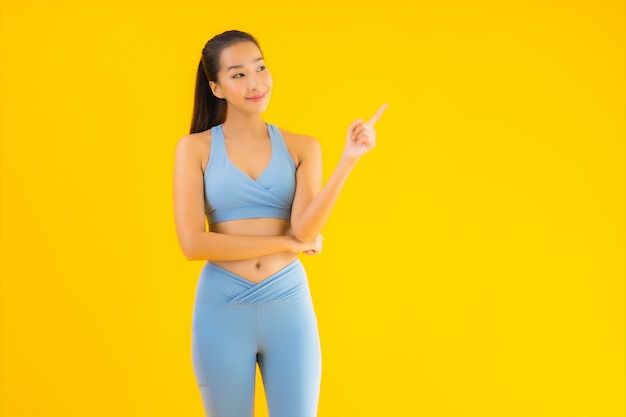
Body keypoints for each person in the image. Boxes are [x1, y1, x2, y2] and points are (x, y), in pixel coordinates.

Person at [173, 29, 387, 417]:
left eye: (260, 67)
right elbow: (193, 244)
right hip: (221, 308)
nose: (255, 82)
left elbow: (305, 231)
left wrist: (349, 158)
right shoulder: (195, 149)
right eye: (238, 74)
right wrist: (285, 244)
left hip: (288, 305)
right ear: (216, 87)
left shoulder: (303, 147)